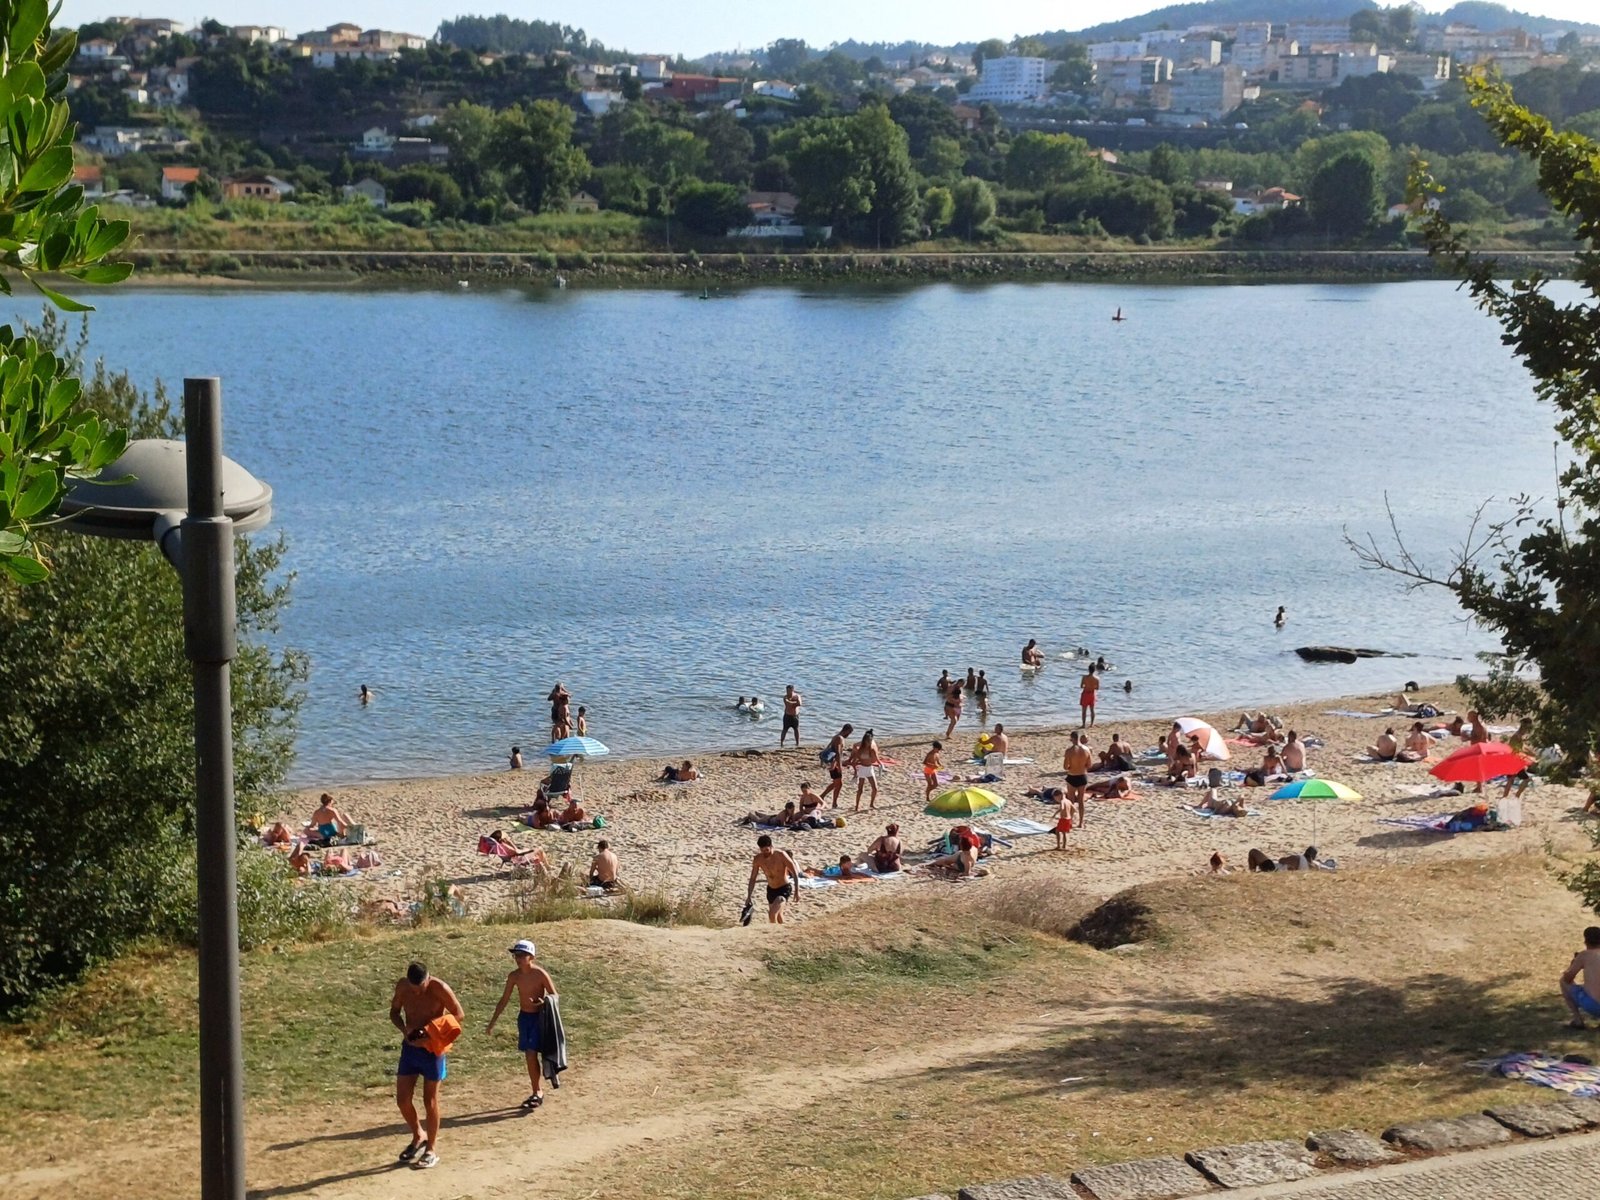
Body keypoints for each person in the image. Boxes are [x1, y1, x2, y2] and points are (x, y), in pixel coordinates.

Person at [391, 960, 464, 1169]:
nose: (416, 993)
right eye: (413, 990)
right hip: (410, 1049)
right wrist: (405, 1031)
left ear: (428, 979)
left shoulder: (439, 988)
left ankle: (431, 1149)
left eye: (420, 989)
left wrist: (430, 1031)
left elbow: (459, 1014)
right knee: (403, 1100)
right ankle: (418, 1135)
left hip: (433, 1051)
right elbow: (394, 1012)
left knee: (429, 1101)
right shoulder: (403, 987)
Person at [485, 940, 557, 1110]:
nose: (518, 958)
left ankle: (541, 1088)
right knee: (530, 1055)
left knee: (537, 1054)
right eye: (516, 955)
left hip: (540, 1018)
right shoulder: (514, 976)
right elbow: (504, 1000)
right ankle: (537, 1091)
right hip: (524, 1018)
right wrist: (492, 1022)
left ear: (531, 956)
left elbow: (554, 995)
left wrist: (543, 1002)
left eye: (522, 955)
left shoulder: (540, 974)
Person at [746, 834, 800, 924]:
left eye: (767, 850)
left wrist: (797, 891)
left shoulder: (781, 855)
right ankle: (783, 934)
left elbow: (794, 872)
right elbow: (752, 878)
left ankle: (773, 935)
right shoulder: (758, 859)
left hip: (784, 889)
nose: (765, 853)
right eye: (762, 850)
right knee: (779, 916)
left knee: (772, 914)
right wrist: (749, 896)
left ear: (771, 846)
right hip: (771, 890)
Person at [1561, 926, 1600, 1029]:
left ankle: (1578, 1020)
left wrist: (1573, 964)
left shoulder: (1584, 955)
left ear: (1586, 941)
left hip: (1594, 1006)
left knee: (1563, 982)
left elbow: (1568, 978)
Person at [820, 723, 854, 808]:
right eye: (849, 733)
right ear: (846, 731)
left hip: (833, 763)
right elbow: (838, 752)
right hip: (834, 763)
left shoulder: (836, 736)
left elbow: (830, 748)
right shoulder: (839, 738)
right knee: (838, 783)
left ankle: (823, 796)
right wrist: (839, 766)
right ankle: (833, 803)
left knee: (837, 783)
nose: (848, 735)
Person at [1063, 731, 1092, 829]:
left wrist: (1072, 766)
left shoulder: (1069, 751)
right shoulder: (1087, 749)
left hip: (1072, 776)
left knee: (1071, 801)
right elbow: (1089, 765)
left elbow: (1065, 767)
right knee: (1081, 800)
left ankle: (1070, 821)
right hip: (1082, 775)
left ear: (1072, 739)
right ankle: (1080, 822)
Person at [850, 729, 882, 812]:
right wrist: (855, 772)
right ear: (865, 741)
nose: (869, 743)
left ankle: (871, 804)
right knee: (860, 789)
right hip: (862, 769)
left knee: (875, 788)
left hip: (869, 768)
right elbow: (854, 762)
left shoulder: (872, 749)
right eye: (868, 741)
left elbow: (876, 760)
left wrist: (881, 766)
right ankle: (857, 806)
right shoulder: (859, 749)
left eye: (870, 741)